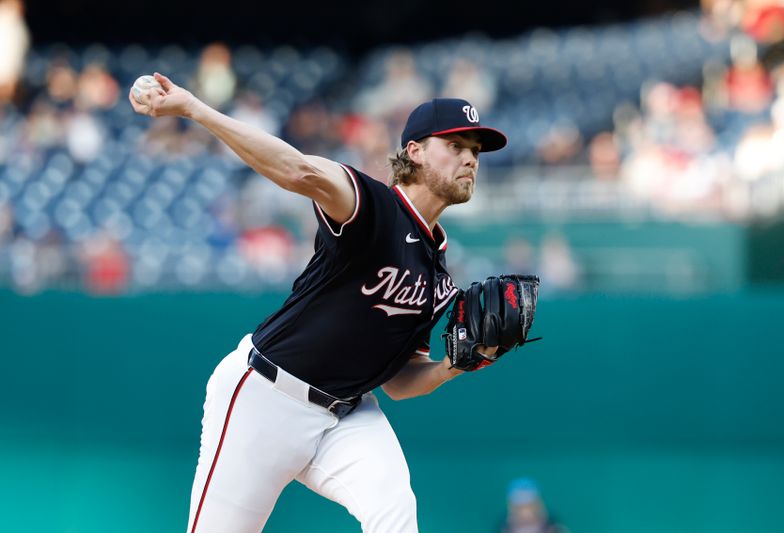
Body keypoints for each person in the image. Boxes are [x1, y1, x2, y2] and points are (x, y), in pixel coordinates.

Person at [130, 73, 508, 533]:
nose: (470, 158)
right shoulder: (371, 205)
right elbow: (299, 171)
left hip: (348, 413)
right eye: (456, 145)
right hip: (267, 397)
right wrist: (194, 109)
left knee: (396, 517)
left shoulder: (438, 270)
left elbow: (401, 382)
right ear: (415, 151)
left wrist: (457, 364)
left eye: (475, 151)